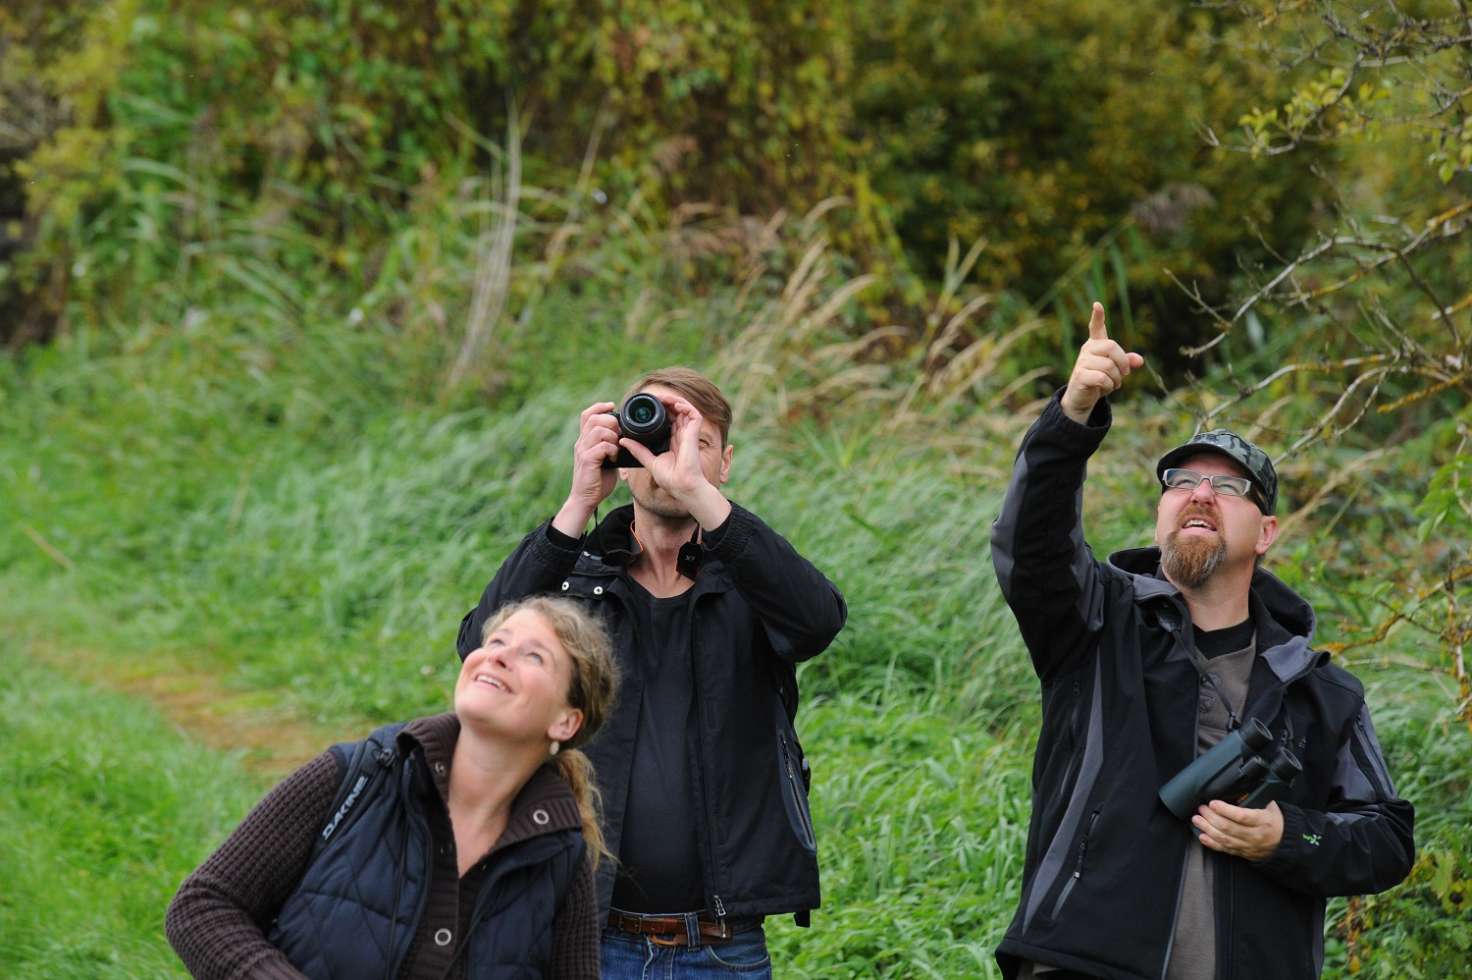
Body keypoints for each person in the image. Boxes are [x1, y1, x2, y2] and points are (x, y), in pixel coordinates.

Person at [990, 303, 1415, 980]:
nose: (1199, 495)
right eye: (1181, 482)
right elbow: (1029, 545)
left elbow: (1387, 839)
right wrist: (1073, 413)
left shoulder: (1321, 690)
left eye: (1226, 486)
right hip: (1080, 964)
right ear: (1160, 513)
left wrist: (1289, 835)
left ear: (1267, 531)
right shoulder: (1096, 623)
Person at [457, 366, 847, 978]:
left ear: (724, 464)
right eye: (659, 431)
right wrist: (579, 500)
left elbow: (817, 622)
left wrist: (700, 498)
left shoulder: (751, 581)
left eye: (699, 442)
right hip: (585, 935)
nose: (673, 457)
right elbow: (483, 647)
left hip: (724, 946)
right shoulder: (577, 580)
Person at [166, 596, 619, 980]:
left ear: (566, 720)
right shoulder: (356, 775)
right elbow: (202, 907)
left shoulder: (560, 857)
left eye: (533, 656)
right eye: (497, 641)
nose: (497, 655)